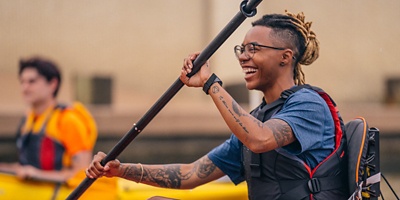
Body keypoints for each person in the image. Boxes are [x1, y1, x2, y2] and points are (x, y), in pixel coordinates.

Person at [86, 11, 348, 199]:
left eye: (253, 49)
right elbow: (190, 174)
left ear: (285, 57)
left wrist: (211, 83)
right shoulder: (256, 119)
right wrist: (119, 170)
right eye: (241, 49)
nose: (243, 57)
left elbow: (260, 140)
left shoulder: (309, 105)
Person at [0, 57, 96, 186]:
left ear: (52, 84)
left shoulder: (68, 120)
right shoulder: (28, 119)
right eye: (22, 82)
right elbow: (23, 168)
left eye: (32, 81)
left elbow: (83, 173)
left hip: (61, 192)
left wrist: (37, 175)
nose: (25, 87)